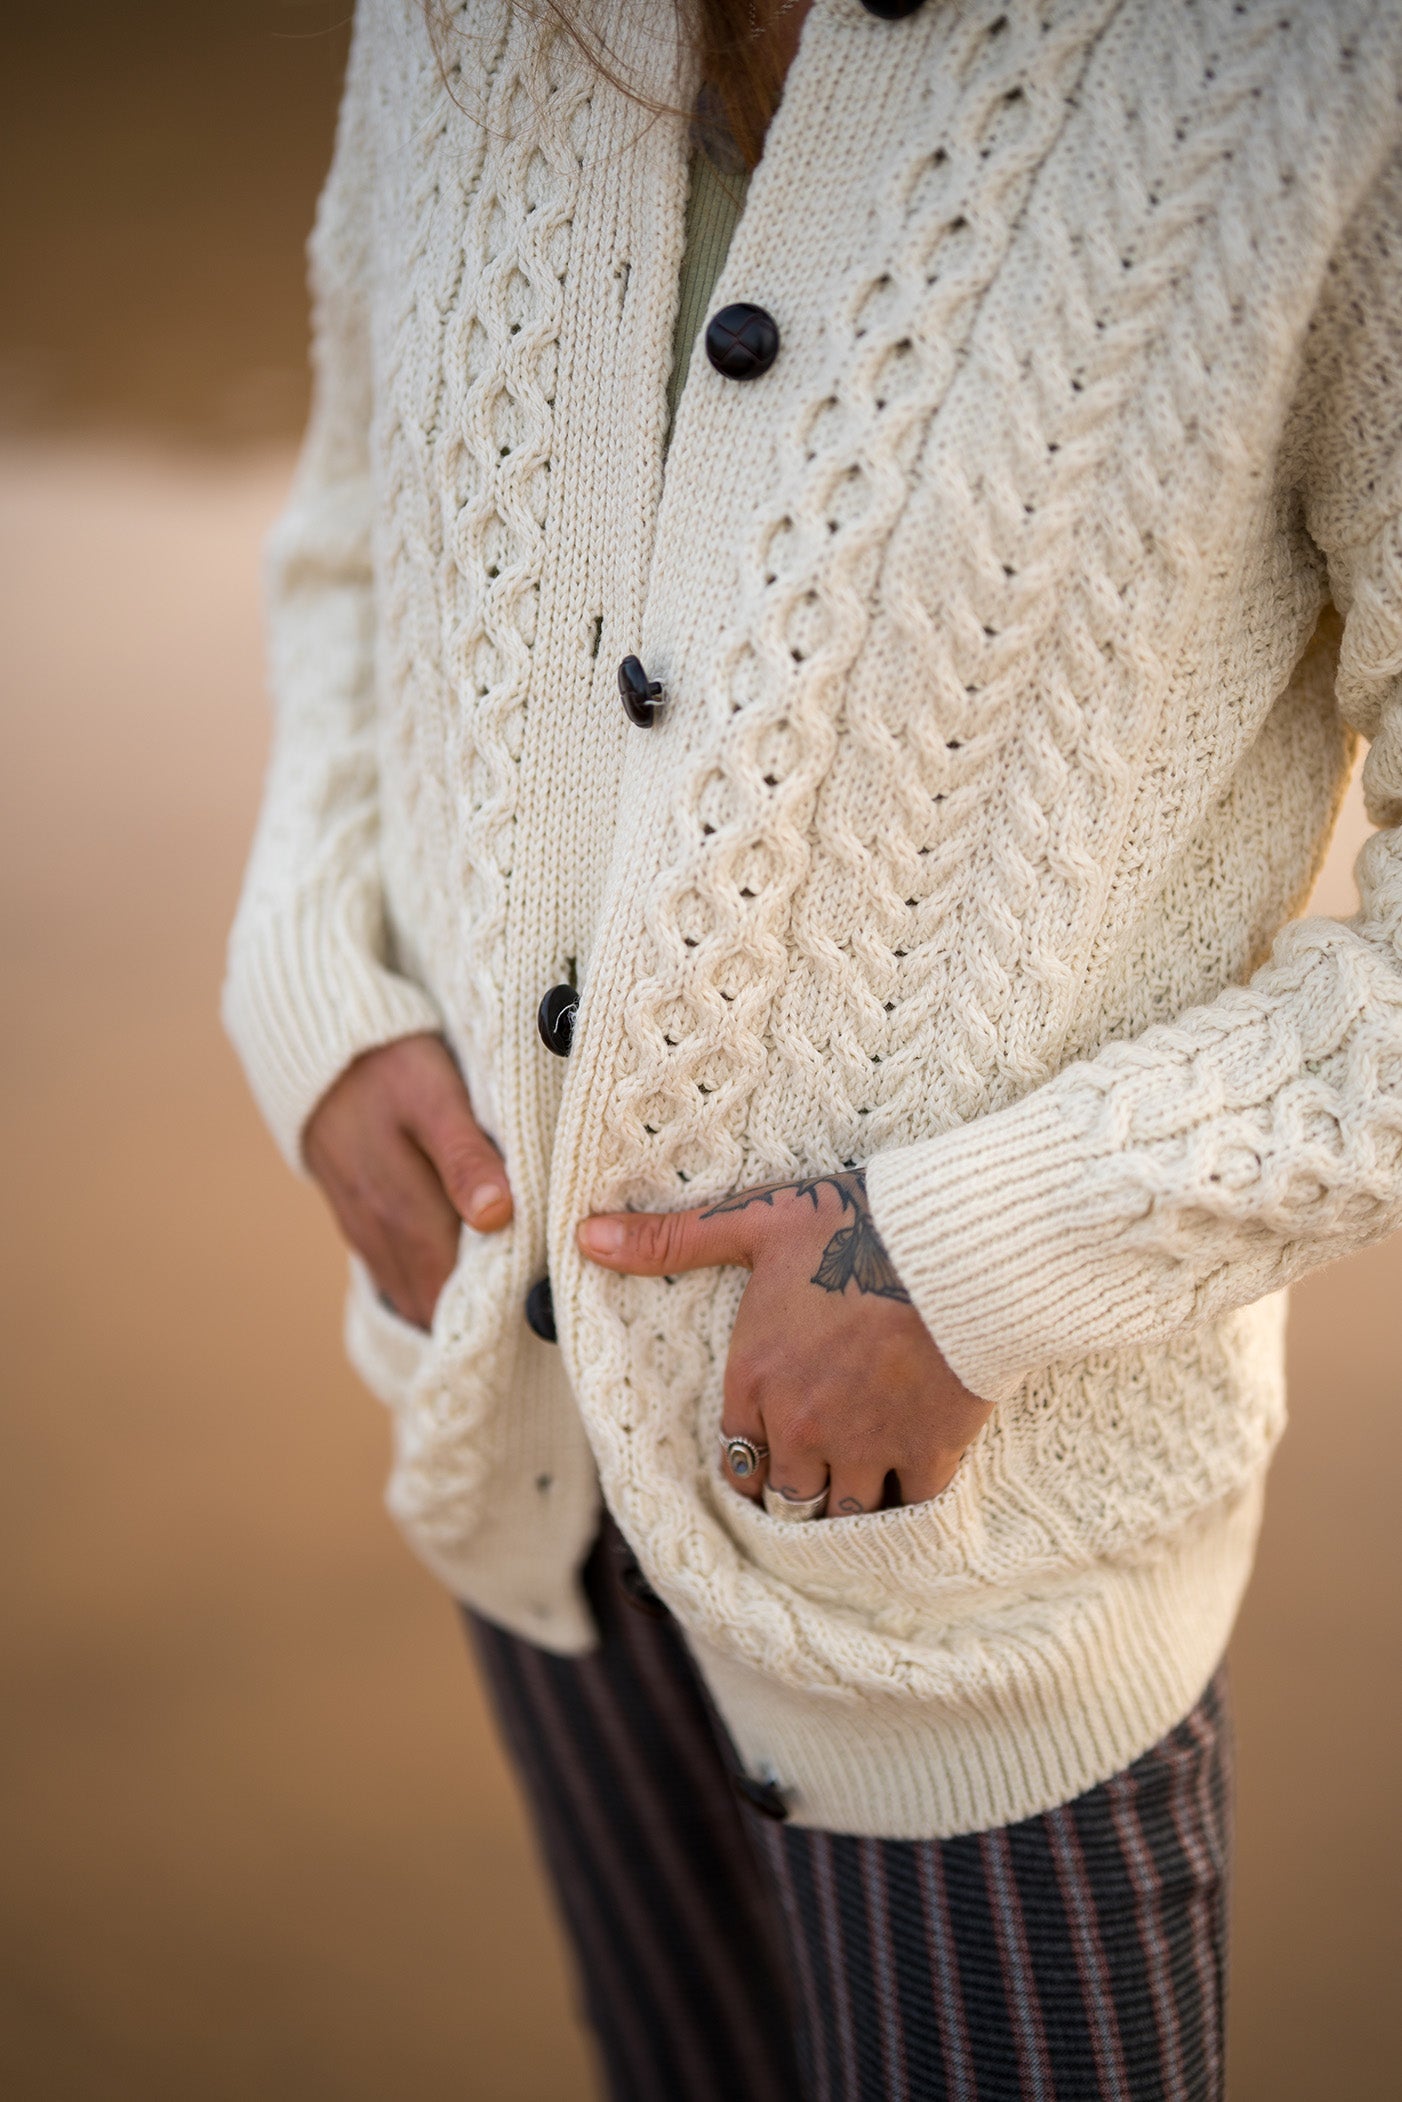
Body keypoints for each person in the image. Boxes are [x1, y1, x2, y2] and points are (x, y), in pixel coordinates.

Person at [224, 2, 1402, 2095]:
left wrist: (975, 1260)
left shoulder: (1307, 70)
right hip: (526, 1442)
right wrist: (312, 981)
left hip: (975, 1571)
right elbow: (352, 514)